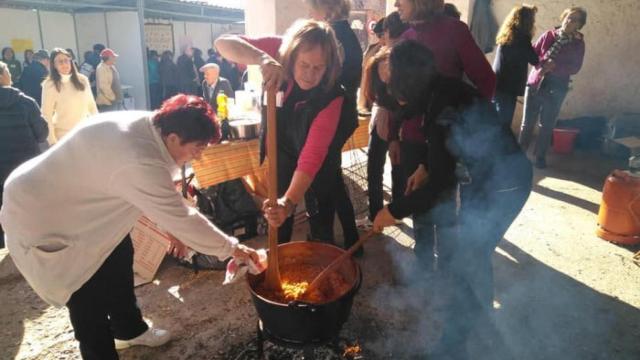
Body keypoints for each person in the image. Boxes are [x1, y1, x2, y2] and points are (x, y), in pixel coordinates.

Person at [0, 94, 260, 359]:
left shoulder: (153, 126)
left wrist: (177, 231)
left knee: (119, 256)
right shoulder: (138, 158)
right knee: (85, 292)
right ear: (172, 138)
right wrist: (233, 248)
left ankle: (128, 329)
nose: (199, 155)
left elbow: (164, 204)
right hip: (43, 214)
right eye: (196, 148)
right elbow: (181, 217)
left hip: (85, 204)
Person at [373, 40, 532, 358]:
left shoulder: (442, 106)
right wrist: (425, 167)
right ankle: (483, 317)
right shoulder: (441, 92)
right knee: (475, 255)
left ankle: (453, 344)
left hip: (503, 187)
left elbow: (438, 187)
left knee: (465, 260)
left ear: (409, 82)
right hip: (487, 182)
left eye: (394, 85)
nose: (393, 94)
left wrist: (393, 210)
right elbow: (447, 152)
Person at [216, 19, 352, 244]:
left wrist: (290, 202)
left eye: (318, 68)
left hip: (319, 160)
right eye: (304, 64)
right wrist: (262, 59)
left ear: (329, 67)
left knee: (321, 217)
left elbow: (312, 155)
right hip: (282, 149)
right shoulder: (279, 50)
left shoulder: (332, 95)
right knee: (277, 215)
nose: (310, 74)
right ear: (292, 56)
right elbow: (223, 43)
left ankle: (321, 258)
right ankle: (279, 262)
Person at [304, 0, 361, 251]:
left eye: (312, 8)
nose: (310, 14)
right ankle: (351, 239)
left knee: (324, 179)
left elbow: (325, 80)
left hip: (334, 114)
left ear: (326, 9)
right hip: (343, 113)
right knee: (333, 178)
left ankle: (325, 240)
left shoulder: (331, 36)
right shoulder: (346, 33)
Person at [518, 6, 587, 169]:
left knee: (547, 124)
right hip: (536, 82)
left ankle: (540, 157)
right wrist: (543, 64)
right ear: (563, 17)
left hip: (557, 86)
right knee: (527, 123)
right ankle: (519, 155)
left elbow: (575, 67)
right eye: (569, 17)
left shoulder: (578, 44)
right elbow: (532, 55)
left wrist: (554, 67)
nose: (570, 21)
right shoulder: (548, 35)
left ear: (580, 25)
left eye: (575, 20)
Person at [0, 61, 48, 248]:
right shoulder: (26, 102)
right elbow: (42, 134)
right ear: (4, 76)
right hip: (25, 169)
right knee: (29, 212)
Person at [358, 48, 405, 230]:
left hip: (391, 124)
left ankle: (385, 213)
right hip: (384, 122)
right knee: (384, 169)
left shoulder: (398, 80)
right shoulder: (376, 68)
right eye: (381, 71)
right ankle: (385, 213)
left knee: (384, 169)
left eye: (388, 69)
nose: (385, 75)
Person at [493, 4, 539, 129]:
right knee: (503, 123)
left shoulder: (508, 35)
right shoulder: (522, 38)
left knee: (496, 119)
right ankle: (500, 148)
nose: (534, 22)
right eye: (532, 19)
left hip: (498, 82)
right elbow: (534, 60)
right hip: (509, 86)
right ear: (526, 21)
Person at [41, 48, 98, 144]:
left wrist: (98, 129)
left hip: (85, 133)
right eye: (60, 61)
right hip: (63, 137)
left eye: (66, 60)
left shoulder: (82, 80)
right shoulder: (49, 84)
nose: (64, 64)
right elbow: (47, 114)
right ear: (54, 65)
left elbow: (92, 107)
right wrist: (52, 141)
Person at [96, 48, 123, 112]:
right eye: (113, 57)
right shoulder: (101, 68)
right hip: (107, 102)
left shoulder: (111, 67)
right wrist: (113, 98)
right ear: (109, 58)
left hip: (114, 100)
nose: (115, 58)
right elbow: (103, 86)